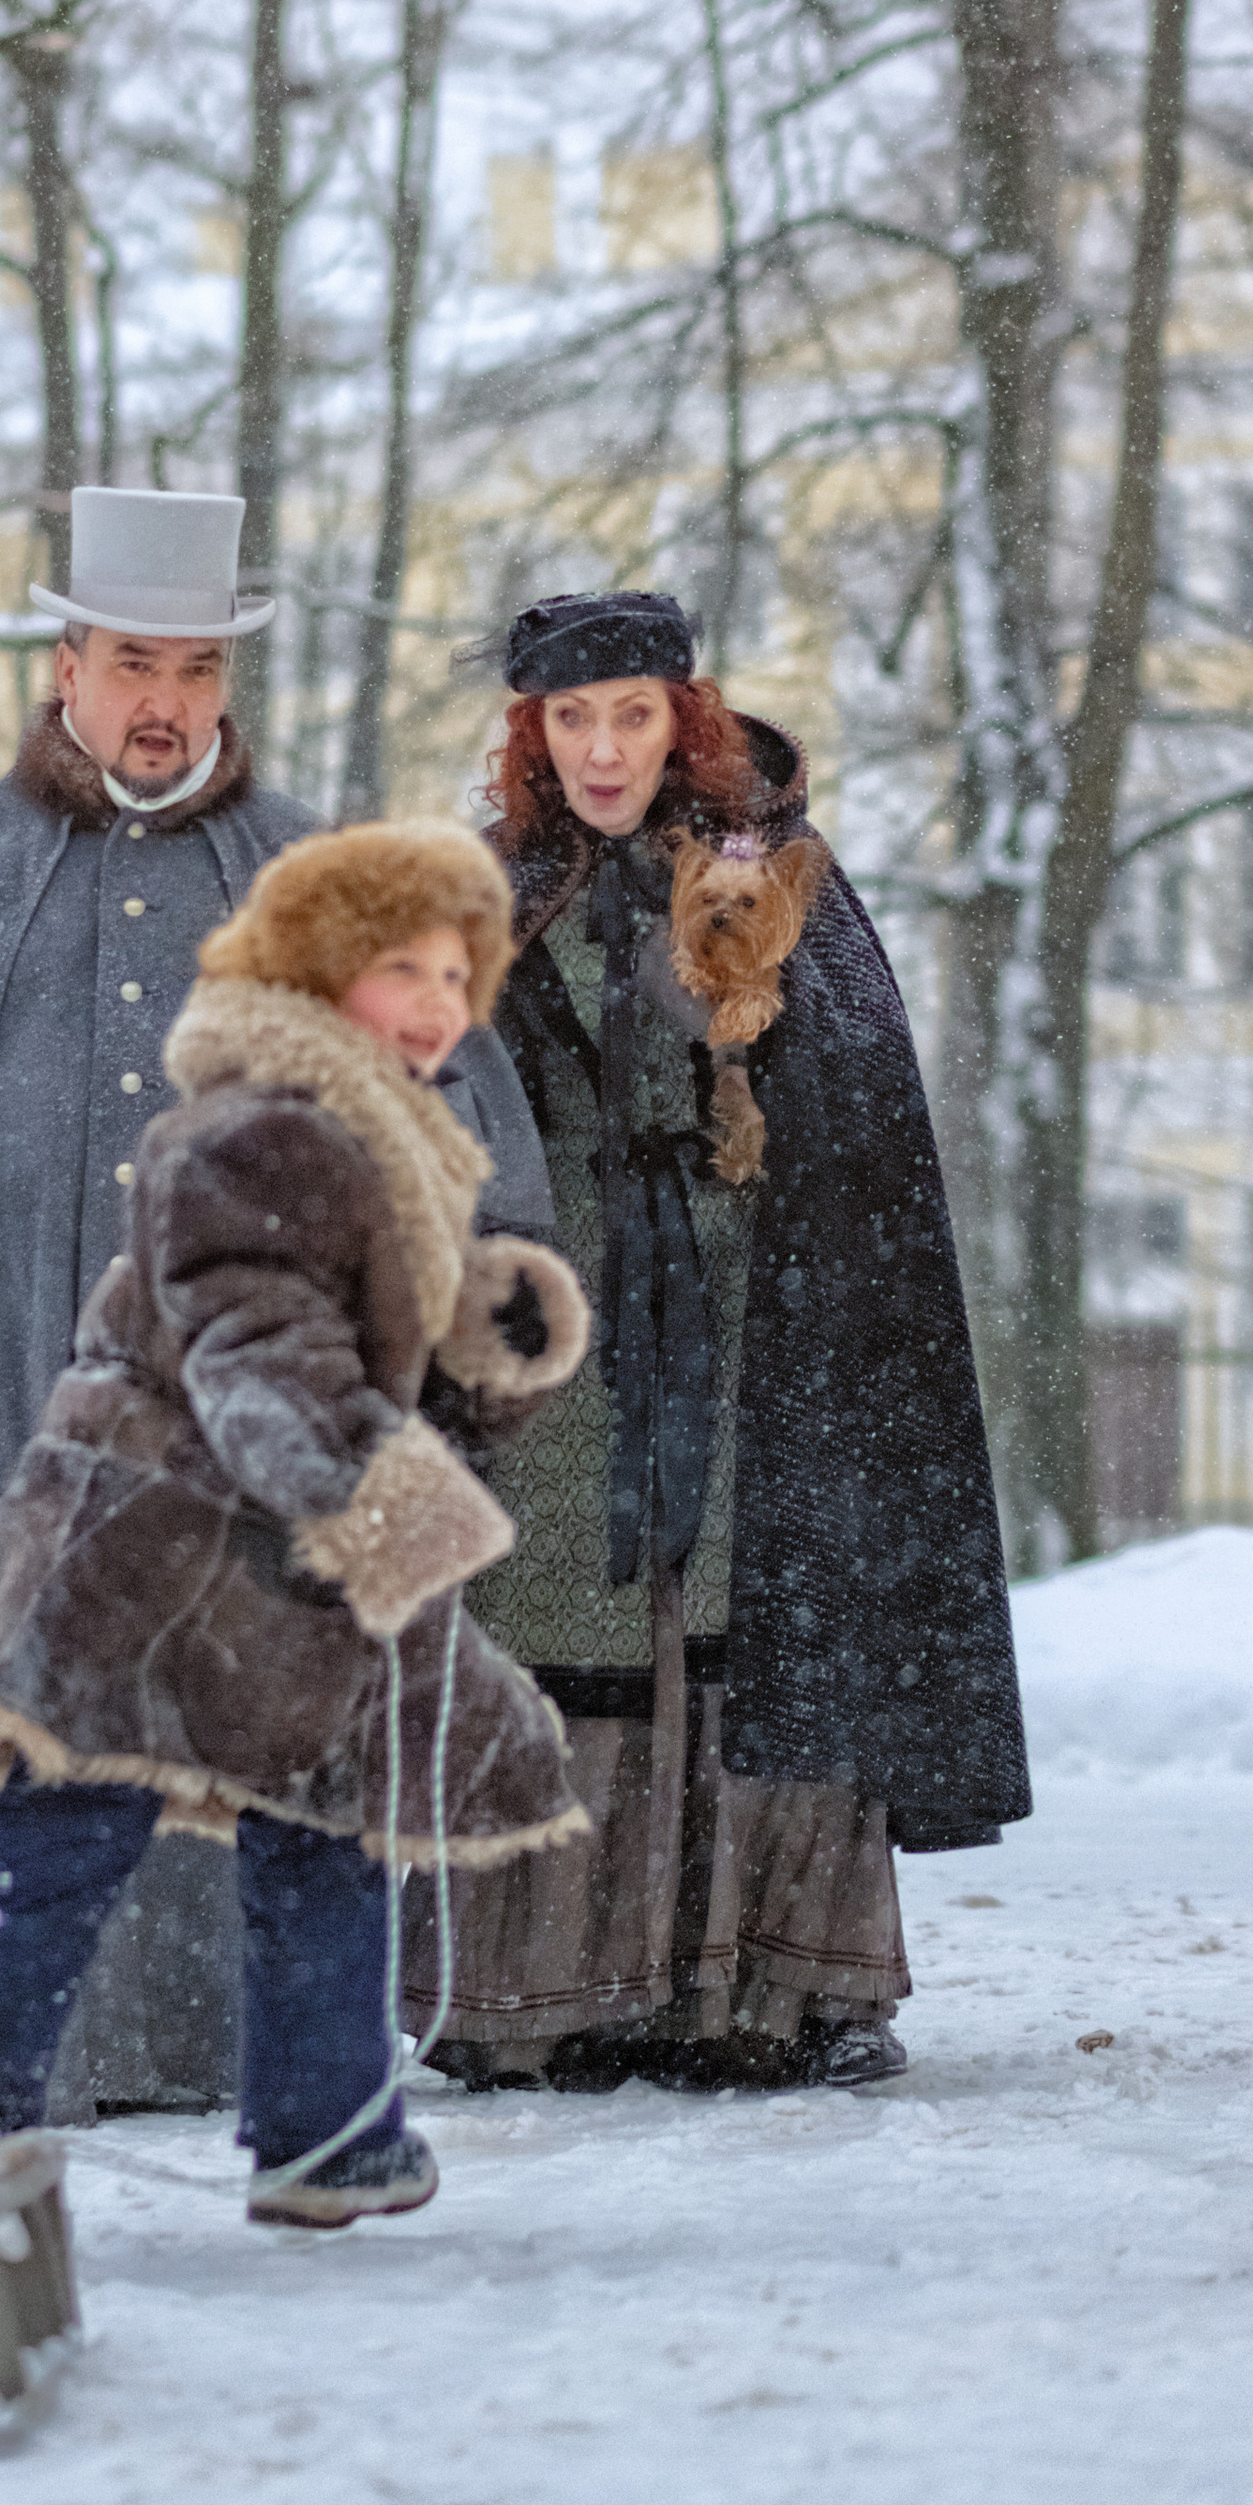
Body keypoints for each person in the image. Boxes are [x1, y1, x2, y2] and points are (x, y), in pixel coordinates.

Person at [0, 487, 549, 2111]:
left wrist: (475, 1312)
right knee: (14, 1704)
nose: (166, 703)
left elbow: (465, 1123)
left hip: (257, 1408)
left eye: (198, 668)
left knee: (267, 1700)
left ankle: (257, 2068)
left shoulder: (326, 887)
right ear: (65, 662)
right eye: (134, 660)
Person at [0, 821, 592, 2227]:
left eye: (458, 973)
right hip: (159, 1554)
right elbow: (258, 1362)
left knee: (328, 1825)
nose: (441, 1003)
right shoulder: (260, 1131)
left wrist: (478, 1343)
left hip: (261, 1571)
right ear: (317, 974)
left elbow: (363, 1358)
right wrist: (386, 1505)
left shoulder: (374, 1143)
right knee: (75, 1814)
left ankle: (332, 2128)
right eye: (402, 968)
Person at [420, 587, 1032, 2092]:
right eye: (571, 719)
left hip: (765, 1327)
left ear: (679, 715)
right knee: (567, 1633)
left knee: (762, 1635)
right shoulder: (488, 894)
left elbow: (853, 1101)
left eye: (632, 713)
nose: (603, 748)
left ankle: (776, 1992)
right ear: (532, 734)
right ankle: (558, 1991)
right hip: (559, 1337)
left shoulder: (780, 871)